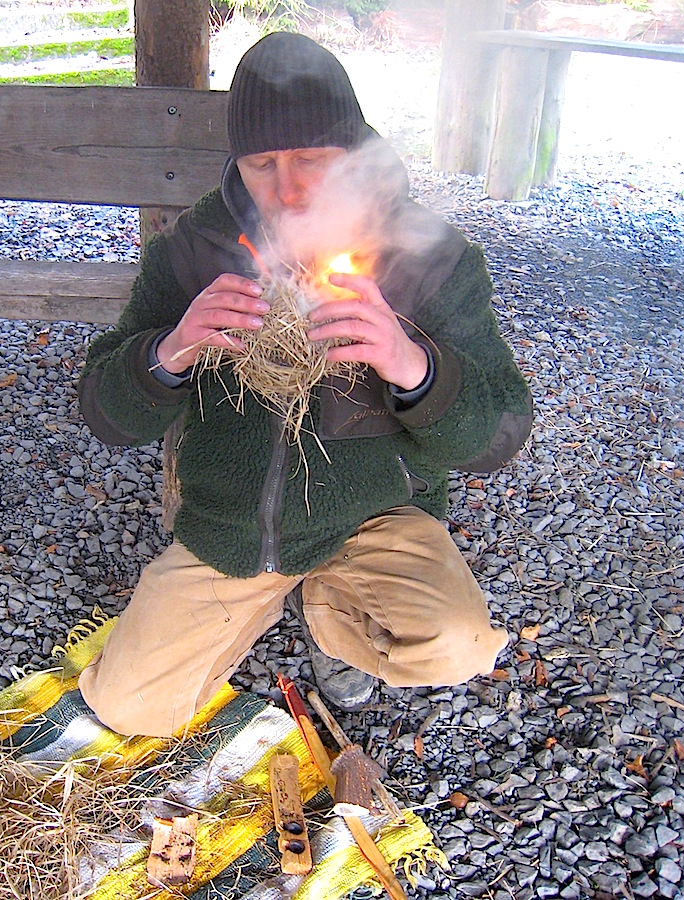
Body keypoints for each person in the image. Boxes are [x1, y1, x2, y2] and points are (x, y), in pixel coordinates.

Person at [76, 32, 533, 737]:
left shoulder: (432, 259)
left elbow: (499, 433)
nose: (287, 189)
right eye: (262, 164)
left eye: (312, 161)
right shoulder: (194, 252)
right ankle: (266, 599)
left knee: (458, 645)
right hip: (233, 530)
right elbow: (105, 412)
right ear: (237, 163)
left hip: (372, 518)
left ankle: (330, 615)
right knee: (127, 706)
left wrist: (413, 365)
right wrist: (169, 350)